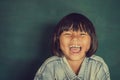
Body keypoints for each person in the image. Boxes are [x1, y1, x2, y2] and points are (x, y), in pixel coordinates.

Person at [34, 13, 110, 80]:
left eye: (82, 34)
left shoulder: (98, 65)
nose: (75, 38)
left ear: (91, 40)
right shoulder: (50, 66)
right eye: (67, 34)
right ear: (57, 40)